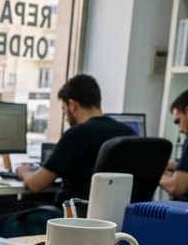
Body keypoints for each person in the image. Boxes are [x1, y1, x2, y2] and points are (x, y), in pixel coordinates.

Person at [17, 74, 135, 203]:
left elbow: (36, 184)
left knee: (3, 222)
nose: (66, 117)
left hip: (70, 218)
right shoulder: (129, 133)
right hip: (113, 219)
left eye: (64, 109)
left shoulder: (77, 133)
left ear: (72, 105)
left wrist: (25, 171)